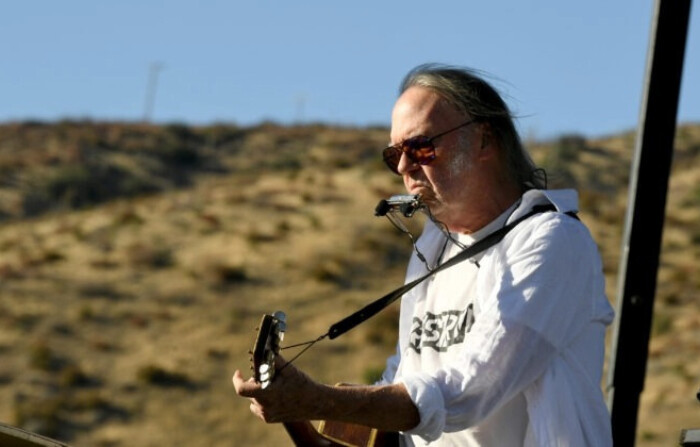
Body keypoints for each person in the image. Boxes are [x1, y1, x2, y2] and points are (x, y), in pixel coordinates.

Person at [233, 63, 615, 446]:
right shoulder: (432, 248)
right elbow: (404, 411)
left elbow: (465, 393)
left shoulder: (552, 241)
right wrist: (294, 412)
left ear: (484, 141)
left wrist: (318, 400)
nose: (403, 166)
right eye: (393, 154)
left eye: (420, 147)